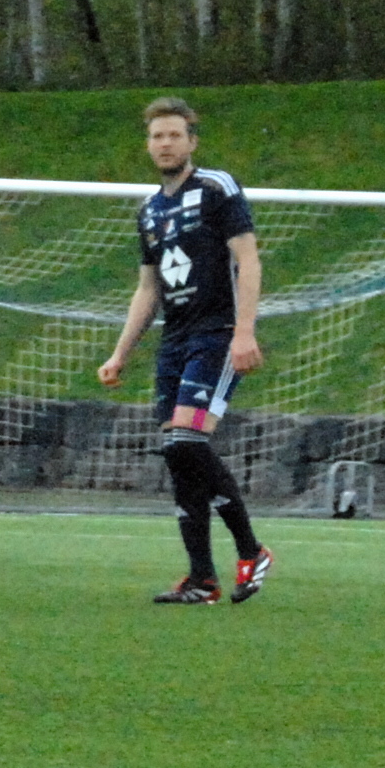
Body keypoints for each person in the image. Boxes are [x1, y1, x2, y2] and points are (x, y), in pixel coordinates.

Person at [95, 96, 271, 604]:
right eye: (157, 136)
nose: (165, 144)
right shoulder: (150, 211)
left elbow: (248, 260)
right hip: (175, 341)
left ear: (192, 142)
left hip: (217, 334)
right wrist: (120, 353)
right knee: (178, 455)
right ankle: (201, 579)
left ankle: (251, 550)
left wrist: (244, 331)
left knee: (186, 443)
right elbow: (148, 288)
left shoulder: (216, 188)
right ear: (148, 145)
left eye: (174, 135)